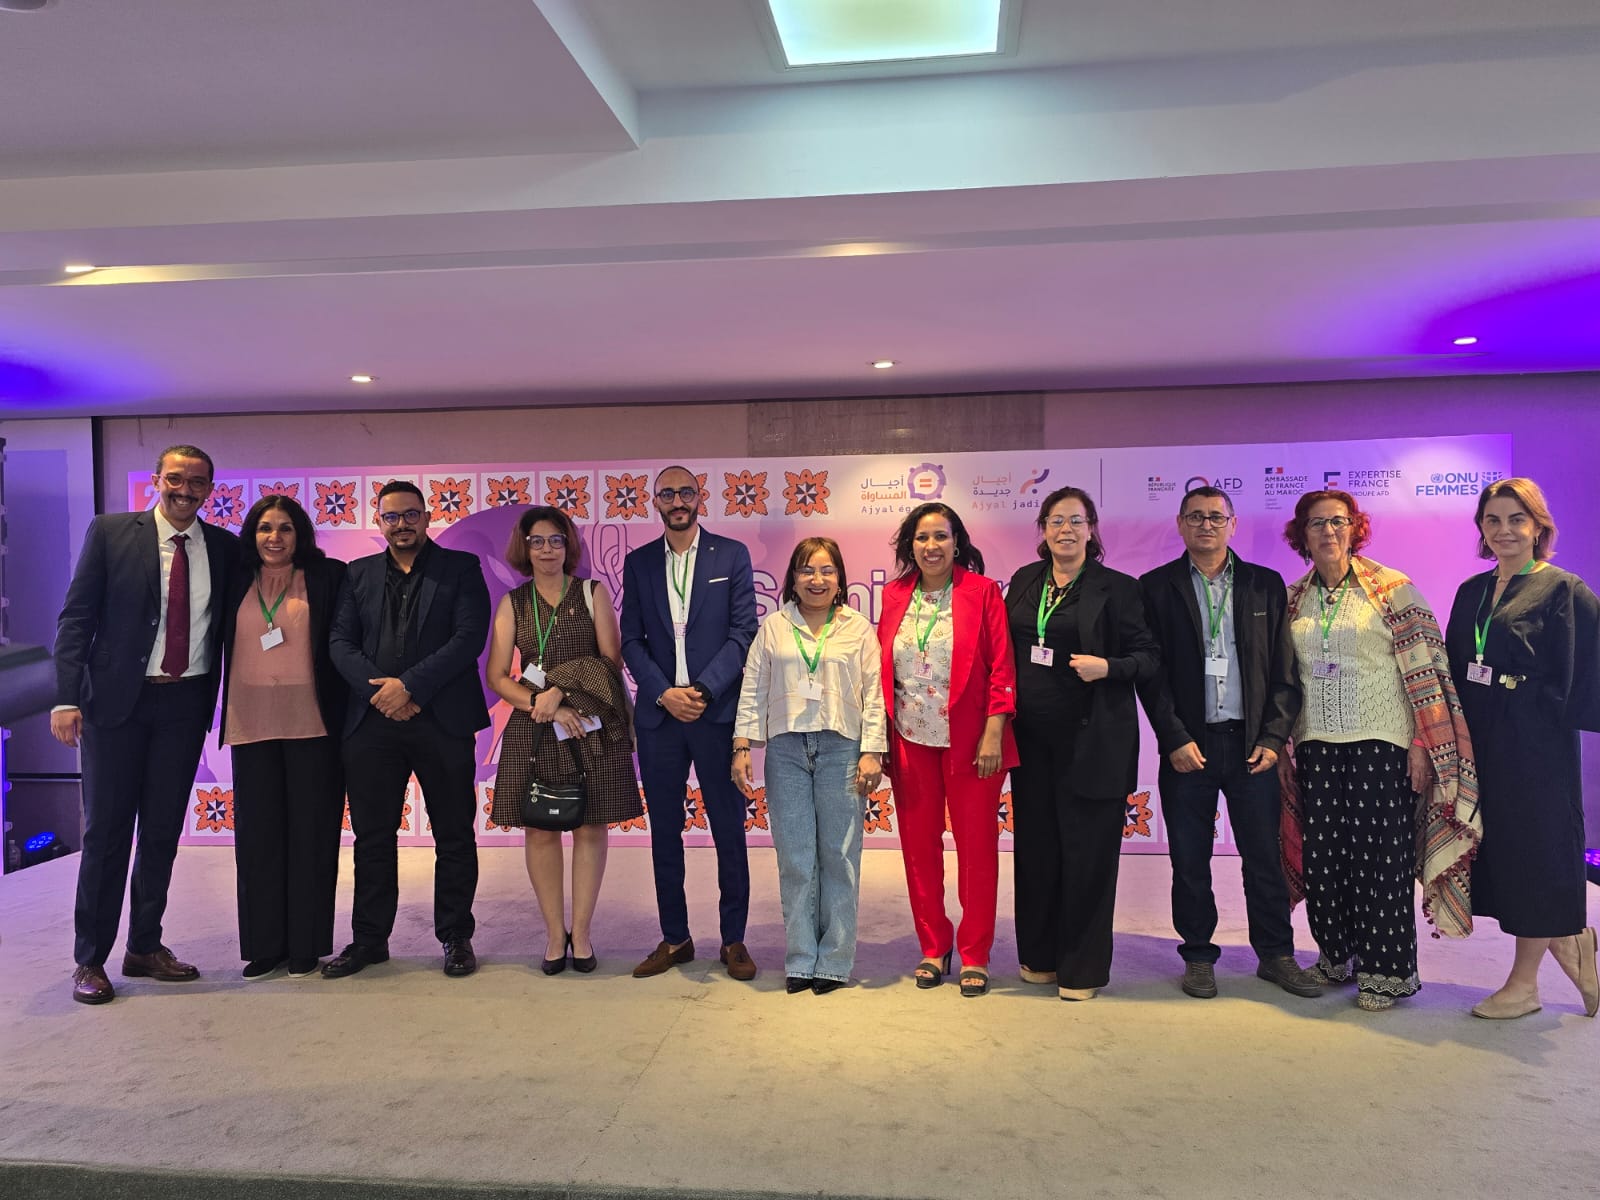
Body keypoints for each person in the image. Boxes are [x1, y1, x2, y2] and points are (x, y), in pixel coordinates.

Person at [52, 444, 237, 1005]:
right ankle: (90, 958)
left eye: (197, 482)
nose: (185, 490)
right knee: (106, 834)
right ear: (157, 479)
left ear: (210, 490)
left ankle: (144, 946)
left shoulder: (224, 548)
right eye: (175, 478)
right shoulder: (110, 533)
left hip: (184, 706)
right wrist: (65, 699)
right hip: (115, 707)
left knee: (160, 833)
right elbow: (77, 617)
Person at [1280, 489, 1478, 1012]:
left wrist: (1421, 742)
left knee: (1380, 862)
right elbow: (1284, 677)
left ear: (1355, 528)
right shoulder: (1294, 598)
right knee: (1325, 860)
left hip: (1382, 744)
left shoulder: (1393, 589)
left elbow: (1430, 671)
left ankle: (1386, 973)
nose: (1328, 531)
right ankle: (1336, 957)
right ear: (1302, 534)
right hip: (1316, 745)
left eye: (1338, 521)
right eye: (1317, 523)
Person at [1137, 486, 1321, 1001]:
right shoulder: (1155, 587)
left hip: (1252, 748)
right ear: (1180, 524)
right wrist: (1174, 737)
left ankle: (1276, 954)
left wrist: (1273, 738)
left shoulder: (1265, 584)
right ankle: (1198, 954)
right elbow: (1152, 675)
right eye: (1196, 517)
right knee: (1189, 860)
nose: (1206, 525)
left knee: (1263, 857)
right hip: (1188, 749)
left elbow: (1285, 672)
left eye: (1216, 517)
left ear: (1233, 525)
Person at [1444, 478, 1599, 1019]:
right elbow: (1457, 665)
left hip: (1536, 751)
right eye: (1493, 520)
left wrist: (1533, 705)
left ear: (1538, 527)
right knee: (1502, 855)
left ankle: (1525, 985)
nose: (1504, 530)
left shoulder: (1564, 590)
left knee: (1536, 856)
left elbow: (1584, 672)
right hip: (1481, 743)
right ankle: (1570, 937)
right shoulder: (1471, 591)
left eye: (1516, 519)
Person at [325, 480, 490, 979]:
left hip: (443, 720)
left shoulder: (461, 567)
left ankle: (456, 936)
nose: (402, 524)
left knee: (454, 834)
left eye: (411, 514)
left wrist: (411, 687)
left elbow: (469, 637)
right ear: (379, 521)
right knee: (372, 837)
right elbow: (339, 642)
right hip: (372, 723)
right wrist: (383, 693)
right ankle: (370, 940)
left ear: (427, 517)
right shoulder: (356, 573)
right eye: (392, 516)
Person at [1006, 486, 1158, 1001]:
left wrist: (1108, 667)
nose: (1065, 530)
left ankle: (1081, 970)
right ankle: (1040, 956)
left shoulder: (1119, 588)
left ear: (1091, 529)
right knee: (1037, 851)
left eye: (1075, 520)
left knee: (1088, 855)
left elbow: (1149, 657)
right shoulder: (1025, 581)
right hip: (1031, 744)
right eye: (1056, 520)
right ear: (1043, 530)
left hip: (1093, 743)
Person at [485, 505, 642, 974]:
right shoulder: (513, 602)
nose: (547, 549)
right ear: (524, 548)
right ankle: (556, 935)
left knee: (591, 826)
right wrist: (542, 703)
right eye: (537, 541)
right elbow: (498, 676)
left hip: (591, 724)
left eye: (556, 540)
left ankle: (584, 934)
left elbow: (611, 662)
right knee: (540, 827)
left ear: (568, 545)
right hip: (535, 726)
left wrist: (562, 690)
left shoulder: (592, 593)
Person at [621, 465, 759, 980]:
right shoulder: (638, 562)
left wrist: (701, 690)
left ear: (700, 497)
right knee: (665, 831)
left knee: (729, 829)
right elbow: (630, 639)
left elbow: (744, 632)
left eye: (685, 492)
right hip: (660, 718)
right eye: (667, 494)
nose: (677, 501)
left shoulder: (731, 555)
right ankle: (675, 937)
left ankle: (734, 939)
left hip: (714, 712)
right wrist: (664, 693)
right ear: (654, 501)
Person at [732, 538, 887, 994]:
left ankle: (835, 960)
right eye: (806, 570)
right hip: (786, 751)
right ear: (793, 578)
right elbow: (753, 686)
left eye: (826, 571)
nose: (816, 580)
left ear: (839, 579)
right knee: (796, 858)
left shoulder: (858, 628)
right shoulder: (774, 627)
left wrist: (872, 750)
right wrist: (742, 744)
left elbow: (874, 692)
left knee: (840, 856)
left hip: (843, 748)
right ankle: (801, 957)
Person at [878, 502, 1016, 998]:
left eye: (941, 536)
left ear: (957, 542)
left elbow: (1002, 666)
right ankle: (933, 946)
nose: (931, 546)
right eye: (921, 537)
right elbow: (884, 668)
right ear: (910, 545)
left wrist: (994, 731)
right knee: (918, 850)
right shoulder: (894, 594)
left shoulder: (982, 591)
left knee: (976, 850)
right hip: (910, 738)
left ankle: (975, 952)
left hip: (972, 742)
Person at [217, 495, 348, 981]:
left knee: (312, 835)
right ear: (252, 534)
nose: (274, 537)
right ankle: (264, 945)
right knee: (258, 838)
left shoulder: (329, 576)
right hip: (250, 721)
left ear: (301, 534)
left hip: (314, 722)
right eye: (265, 528)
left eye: (286, 528)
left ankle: (306, 945)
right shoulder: (233, 579)